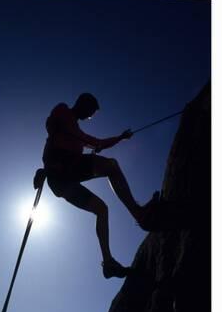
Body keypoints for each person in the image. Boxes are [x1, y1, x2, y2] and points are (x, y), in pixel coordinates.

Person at [42, 92, 157, 279]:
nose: (89, 117)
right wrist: (89, 142)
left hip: (61, 181)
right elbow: (55, 126)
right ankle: (139, 214)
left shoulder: (74, 132)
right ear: (83, 104)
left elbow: (95, 143)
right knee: (111, 165)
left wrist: (119, 138)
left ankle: (108, 263)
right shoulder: (63, 112)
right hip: (62, 169)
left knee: (102, 209)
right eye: (90, 112)